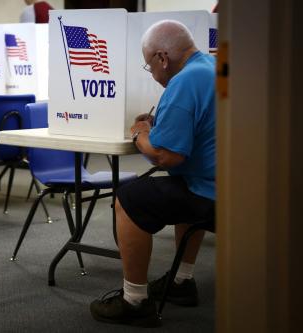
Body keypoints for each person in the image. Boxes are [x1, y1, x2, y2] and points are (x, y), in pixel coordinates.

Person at [90, 20, 216, 327]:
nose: (153, 74)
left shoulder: (185, 81)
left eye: (149, 66)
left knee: (129, 199)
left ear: (162, 57)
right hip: (243, 187)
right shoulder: (214, 66)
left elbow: (165, 155)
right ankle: (181, 282)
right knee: (182, 183)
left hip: (215, 195)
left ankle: (135, 301)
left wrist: (139, 133)